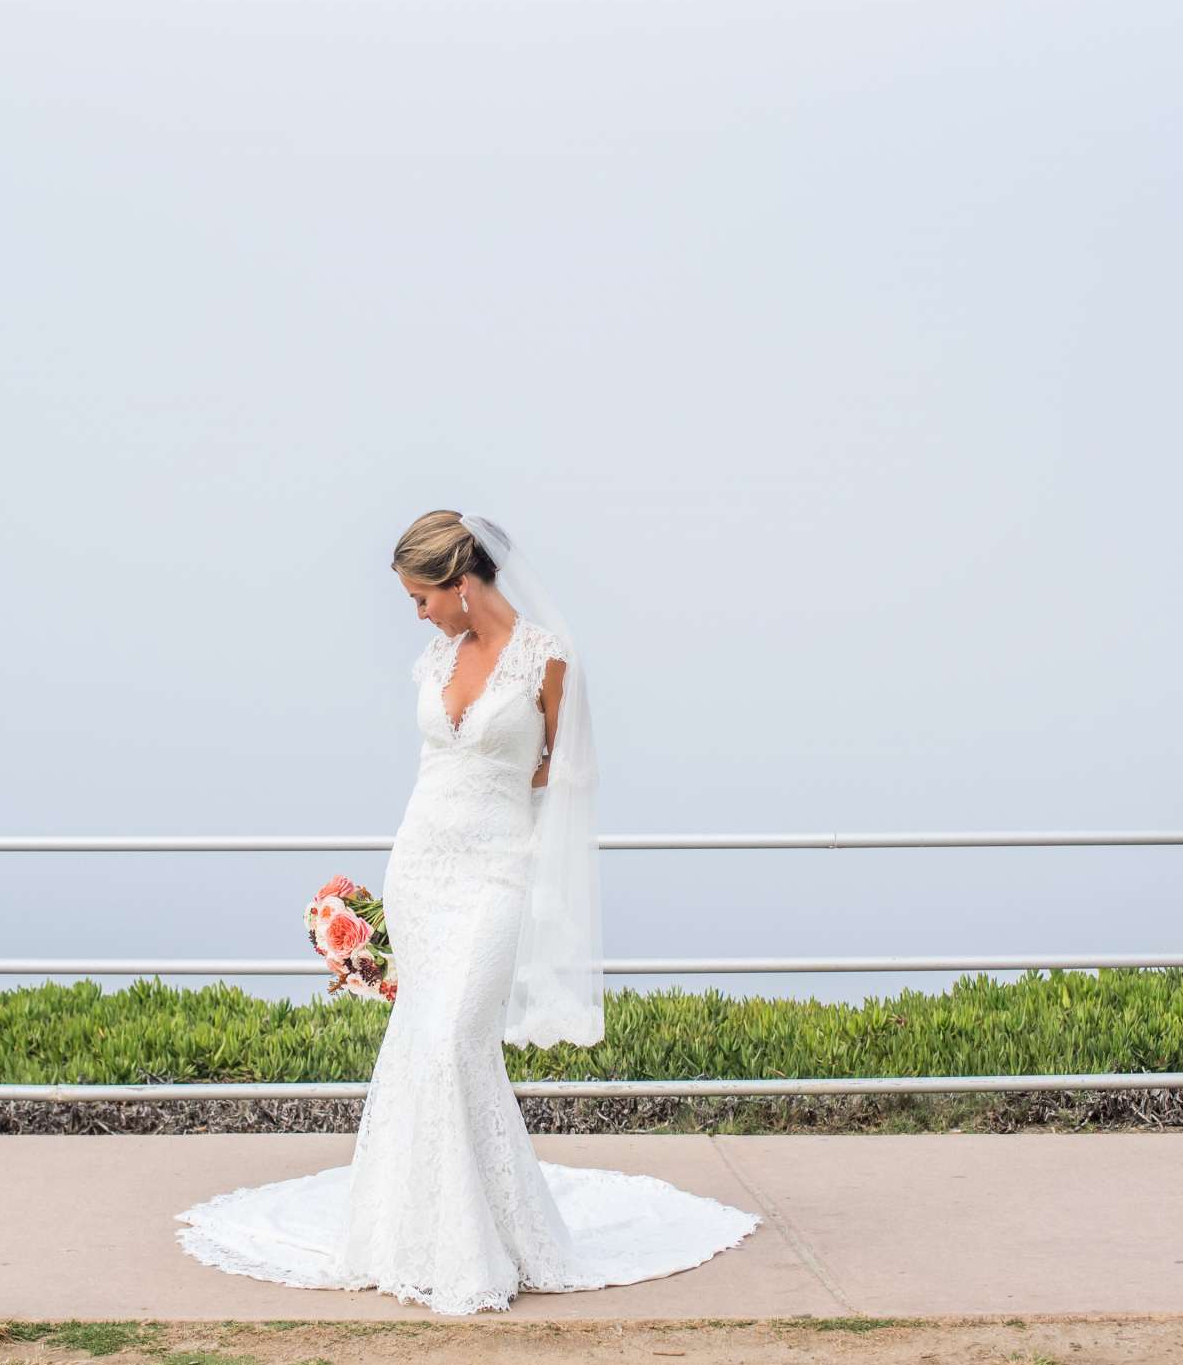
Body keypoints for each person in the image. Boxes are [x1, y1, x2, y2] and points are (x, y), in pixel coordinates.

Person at [173, 509, 761, 1315]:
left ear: (460, 583)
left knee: (455, 1042)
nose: (416, 615)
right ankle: (416, 1237)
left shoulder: (548, 660)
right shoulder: (434, 657)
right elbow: (432, 764)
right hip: (419, 866)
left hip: (494, 875)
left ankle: (485, 1243)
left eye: (421, 598)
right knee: (426, 1045)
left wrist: (537, 870)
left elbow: (567, 776)